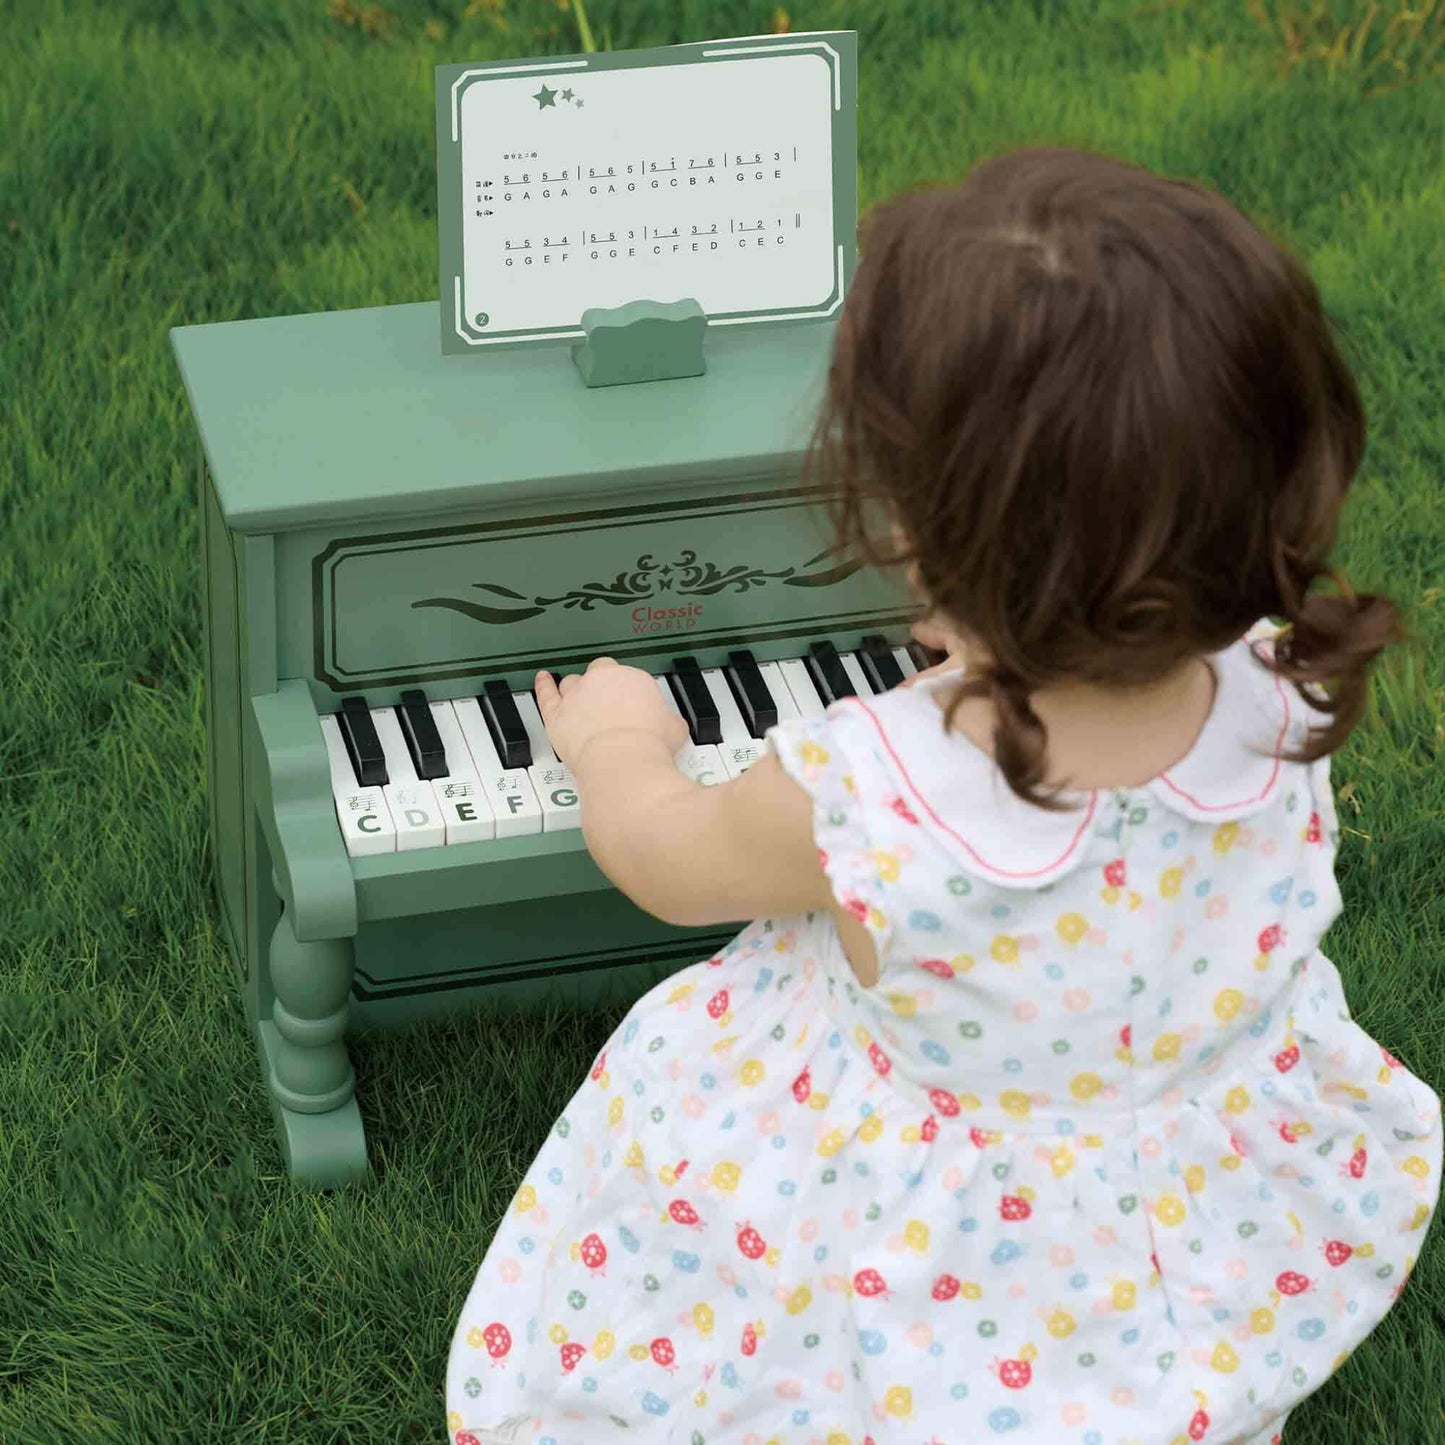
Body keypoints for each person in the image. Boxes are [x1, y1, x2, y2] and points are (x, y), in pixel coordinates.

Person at [444, 146, 1441, 1445]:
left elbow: (665, 859)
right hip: (1172, 1175)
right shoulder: (1279, 687)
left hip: (936, 1217)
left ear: (922, 524)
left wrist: (619, 745)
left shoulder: (872, 788)